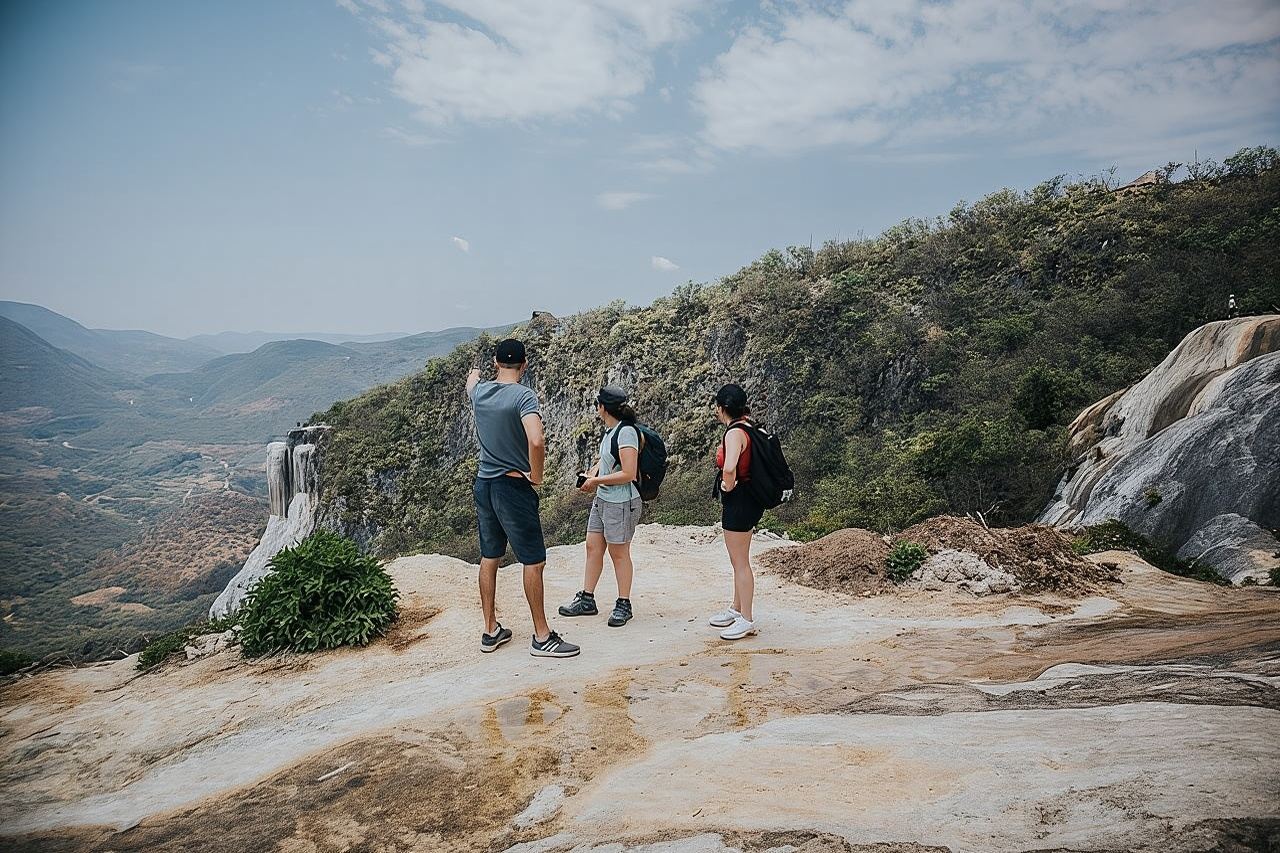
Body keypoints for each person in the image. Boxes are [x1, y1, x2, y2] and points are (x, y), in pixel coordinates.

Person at [466, 338, 580, 658]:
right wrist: (537, 475)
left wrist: (474, 373)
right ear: (524, 364)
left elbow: (471, 383)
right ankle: (542, 637)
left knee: (490, 557)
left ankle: (490, 630)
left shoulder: (480, 392)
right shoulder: (523, 395)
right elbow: (537, 438)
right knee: (533, 560)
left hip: (484, 484)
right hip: (512, 487)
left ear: (496, 362)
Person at [559, 386, 644, 628]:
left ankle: (624, 603)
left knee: (619, 553)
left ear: (603, 407)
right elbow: (607, 459)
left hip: (621, 502)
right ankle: (587, 599)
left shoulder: (626, 433)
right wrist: (593, 474)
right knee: (593, 546)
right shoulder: (611, 431)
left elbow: (628, 473)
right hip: (604, 499)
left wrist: (596, 481)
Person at [708, 383, 764, 640]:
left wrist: (726, 487)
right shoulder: (749, 426)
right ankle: (737, 608)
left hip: (739, 500)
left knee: (740, 562)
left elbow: (730, 468)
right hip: (751, 498)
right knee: (737, 559)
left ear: (721, 409)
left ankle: (747, 619)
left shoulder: (733, 433)